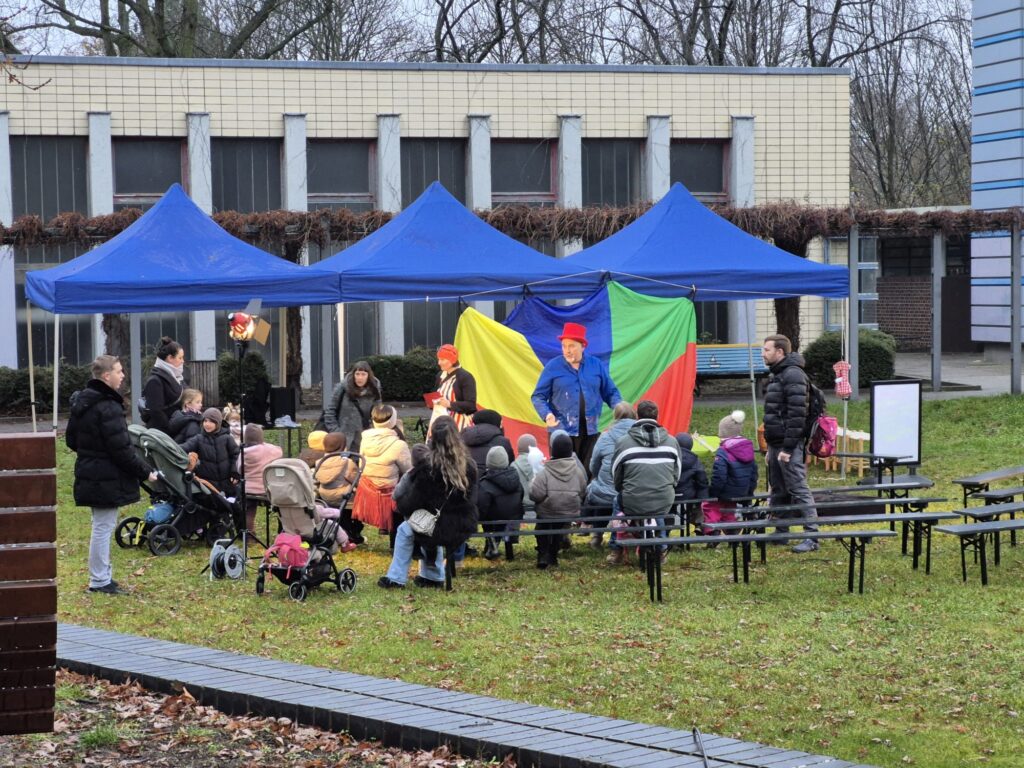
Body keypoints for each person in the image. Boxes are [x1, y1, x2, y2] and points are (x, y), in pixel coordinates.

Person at [66, 355, 158, 595]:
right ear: (106, 376)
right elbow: (122, 450)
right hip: (105, 475)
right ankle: (99, 580)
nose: (123, 375)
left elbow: (71, 440)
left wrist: (92, 453)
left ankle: (102, 576)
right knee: (103, 527)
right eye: (119, 371)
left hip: (92, 471)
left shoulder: (83, 402)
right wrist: (145, 472)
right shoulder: (108, 406)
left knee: (101, 525)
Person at [379, 416, 479, 589]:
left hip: (438, 525)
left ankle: (396, 578)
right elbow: (474, 497)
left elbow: (412, 501)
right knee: (427, 525)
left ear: (432, 437)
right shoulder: (469, 465)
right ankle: (432, 576)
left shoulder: (428, 467)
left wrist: (402, 506)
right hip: (462, 523)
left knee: (409, 528)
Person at [531, 322, 622, 472]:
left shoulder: (596, 365)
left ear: (582, 346)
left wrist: (620, 409)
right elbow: (538, 396)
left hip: (590, 431)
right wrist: (547, 415)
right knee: (563, 473)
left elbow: (611, 392)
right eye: (564, 346)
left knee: (589, 472)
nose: (567, 350)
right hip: (561, 432)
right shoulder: (553, 366)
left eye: (572, 346)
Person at [762, 333, 819, 553]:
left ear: (780, 352)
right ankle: (781, 532)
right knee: (779, 490)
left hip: (789, 445)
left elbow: (797, 415)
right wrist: (771, 447)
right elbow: (775, 413)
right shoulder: (778, 374)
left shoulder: (793, 374)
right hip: (776, 444)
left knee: (798, 488)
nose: (763, 354)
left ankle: (812, 537)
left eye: (767, 350)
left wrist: (787, 448)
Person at [608, 400, 680, 565]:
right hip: (663, 500)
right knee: (657, 506)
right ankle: (661, 549)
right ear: (657, 416)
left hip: (632, 500)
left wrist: (623, 489)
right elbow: (676, 475)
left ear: (637, 416)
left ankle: (616, 549)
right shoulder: (672, 442)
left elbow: (616, 475)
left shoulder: (623, 443)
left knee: (618, 501)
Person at [351, 404, 412, 542]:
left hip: (366, 491)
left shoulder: (365, 439)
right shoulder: (399, 444)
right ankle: (397, 540)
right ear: (393, 420)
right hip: (388, 492)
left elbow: (362, 464)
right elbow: (409, 471)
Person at [529, 431, 587, 570]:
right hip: (569, 510)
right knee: (559, 528)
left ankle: (543, 554)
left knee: (542, 527)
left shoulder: (545, 472)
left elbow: (535, 494)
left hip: (547, 511)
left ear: (553, 450)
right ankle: (553, 555)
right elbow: (583, 491)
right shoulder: (578, 472)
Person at [585, 401, 637, 549]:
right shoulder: (641, 436)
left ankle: (597, 535)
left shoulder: (605, 437)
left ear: (615, 416)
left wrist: (598, 478)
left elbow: (593, 465)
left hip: (606, 493)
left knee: (597, 490)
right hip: (633, 492)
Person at [702, 411, 758, 540]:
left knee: (710, 505)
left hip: (725, 491)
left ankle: (712, 530)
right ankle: (731, 528)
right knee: (729, 506)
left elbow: (719, 476)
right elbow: (754, 473)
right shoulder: (747, 447)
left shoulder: (723, 451)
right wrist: (749, 491)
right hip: (742, 491)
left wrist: (713, 492)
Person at [477, 445, 525, 560]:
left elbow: (482, 505)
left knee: (489, 517)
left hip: (494, 518)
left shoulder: (485, 483)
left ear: (489, 462)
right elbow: (521, 495)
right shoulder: (515, 479)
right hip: (514, 516)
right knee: (503, 514)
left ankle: (492, 543)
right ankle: (503, 548)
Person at [323, 361, 382, 453]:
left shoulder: (374, 390)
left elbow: (377, 414)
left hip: (365, 438)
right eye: (357, 374)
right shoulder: (342, 388)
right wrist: (337, 433)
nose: (360, 378)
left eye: (363, 374)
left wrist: (373, 432)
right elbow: (330, 412)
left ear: (368, 375)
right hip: (344, 439)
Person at [181, 407, 240, 497]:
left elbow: (236, 455)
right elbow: (184, 447)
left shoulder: (227, 438)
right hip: (208, 485)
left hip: (227, 483)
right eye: (205, 421)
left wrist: (234, 472)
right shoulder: (198, 439)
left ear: (218, 423)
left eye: (211, 421)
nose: (207, 424)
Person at [239, 423, 282, 533]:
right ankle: (282, 531)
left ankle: (249, 535)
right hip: (268, 488)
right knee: (281, 507)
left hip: (249, 489)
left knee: (249, 511)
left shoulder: (244, 453)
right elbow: (280, 452)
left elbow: (239, 469)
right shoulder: (271, 450)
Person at [141, 337, 185, 434]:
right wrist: (170, 430)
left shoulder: (176, 377)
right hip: (163, 434)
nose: (183, 361)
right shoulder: (155, 381)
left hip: (175, 428)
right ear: (170, 358)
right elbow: (156, 412)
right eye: (180, 358)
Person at [431, 344, 477, 431]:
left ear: (452, 360)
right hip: (441, 421)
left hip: (460, 424)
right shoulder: (440, 375)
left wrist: (450, 404)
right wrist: (432, 402)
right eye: (438, 359)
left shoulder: (466, 377)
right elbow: (436, 394)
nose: (439, 363)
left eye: (442, 359)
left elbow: (471, 405)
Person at [460, 409, 514, 475]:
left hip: (463, 479)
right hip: (491, 480)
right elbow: (509, 465)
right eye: (501, 423)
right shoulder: (502, 442)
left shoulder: (461, 437)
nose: (501, 426)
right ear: (495, 423)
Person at [675, 433, 709, 534]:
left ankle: (666, 528)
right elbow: (701, 479)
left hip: (671, 493)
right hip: (688, 494)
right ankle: (698, 522)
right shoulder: (695, 460)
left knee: (669, 509)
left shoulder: (669, 457)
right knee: (697, 503)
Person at [314, 432, 358, 508]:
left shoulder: (319, 462)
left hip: (324, 496)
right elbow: (355, 480)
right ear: (343, 446)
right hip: (343, 497)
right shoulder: (347, 462)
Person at [512, 434, 539, 521]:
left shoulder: (512, 467)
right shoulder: (540, 466)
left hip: (518, 509)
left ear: (518, 448)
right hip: (538, 509)